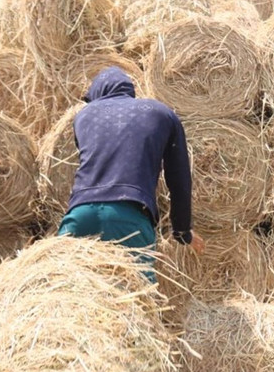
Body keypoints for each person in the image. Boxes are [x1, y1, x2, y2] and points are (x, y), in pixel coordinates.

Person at [58, 66, 205, 277]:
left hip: (80, 215)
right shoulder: (161, 113)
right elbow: (179, 180)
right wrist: (182, 232)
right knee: (138, 303)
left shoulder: (83, 116)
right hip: (129, 217)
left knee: (66, 296)